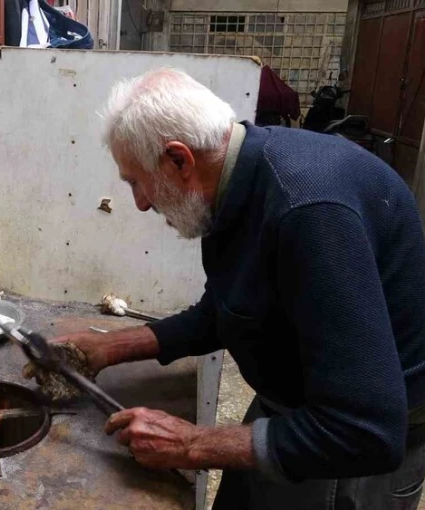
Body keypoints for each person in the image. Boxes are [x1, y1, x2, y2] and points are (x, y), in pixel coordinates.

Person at [40, 68, 425, 509]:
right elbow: (231, 309)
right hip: (290, 399)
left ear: (179, 160)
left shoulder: (308, 211)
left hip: (342, 446)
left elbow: (366, 431)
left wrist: (192, 444)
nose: (141, 203)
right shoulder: (237, 180)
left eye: (135, 182)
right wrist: (111, 347)